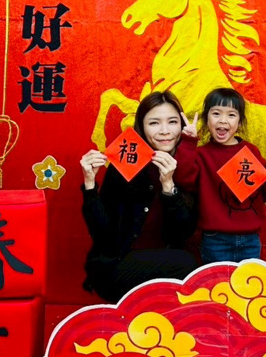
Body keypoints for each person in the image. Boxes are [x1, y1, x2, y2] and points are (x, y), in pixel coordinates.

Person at [80, 91, 198, 303]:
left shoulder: (188, 165)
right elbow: (101, 232)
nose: (165, 131)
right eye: (154, 123)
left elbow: (183, 232)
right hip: (118, 264)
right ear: (142, 127)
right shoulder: (127, 161)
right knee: (185, 264)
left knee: (194, 265)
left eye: (172, 122)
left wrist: (168, 186)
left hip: (165, 262)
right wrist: (90, 185)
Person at [174, 87, 266, 263]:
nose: (223, 120)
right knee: (217, 280)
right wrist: (188, 141)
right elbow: (182, 179)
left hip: (250, 238)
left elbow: (258, 196)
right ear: (206, 119)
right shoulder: (201, 154)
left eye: (231, 115)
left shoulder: (250, 152)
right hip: (215, 239)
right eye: (216, 113)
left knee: (247, 280)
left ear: (239, 122)